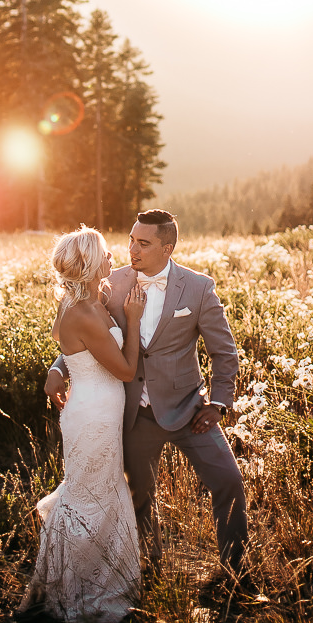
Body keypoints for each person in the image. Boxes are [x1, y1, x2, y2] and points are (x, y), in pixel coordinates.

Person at [45, 209, 248, 574]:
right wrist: (58, 367)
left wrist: (218, 403)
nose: (132, 250)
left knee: (229, 481)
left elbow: (224, 351)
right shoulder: (110, 283)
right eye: (130, 240)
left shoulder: (199, 287)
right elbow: (86, 334)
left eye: (143, 243)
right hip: (132, 414)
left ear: (167, 248)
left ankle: (236, 571)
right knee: (138, 498)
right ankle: (150, 572)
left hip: (189, 410)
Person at [20, 227, 147, 623]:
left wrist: (55, 368)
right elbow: (126, 370)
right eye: (107, 254)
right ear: (92, 264)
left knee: (94, 490)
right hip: (94, 414)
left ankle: (80, 581)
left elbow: (71, 354)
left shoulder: (83, 303)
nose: (113, 258)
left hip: (93, 411)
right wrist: (133, 317)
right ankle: (83, 592)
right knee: (90, 497)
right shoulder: (86, 312)